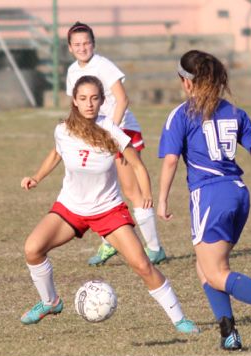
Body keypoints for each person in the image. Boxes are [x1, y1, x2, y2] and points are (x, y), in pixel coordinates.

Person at [19, 75, 199, 335]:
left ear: (102, 101)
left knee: (142, 265)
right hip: (70, 208)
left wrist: (146, 193)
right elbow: (56, 152)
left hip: (108, 211)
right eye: (83, 98)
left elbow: (136, 165)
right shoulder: (62, 130)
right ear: (75, 102)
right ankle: (50, 303)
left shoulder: (111, 131)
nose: (89, 104)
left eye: (94, 98)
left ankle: (180, 320)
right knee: (32, 249)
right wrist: (36, 177)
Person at [157, 50, 251, 350]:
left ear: (186, 82)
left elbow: (170, 161)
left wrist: (162, 199)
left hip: (209, 195)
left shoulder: (181, 115)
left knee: (216, 272)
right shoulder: (235, 112)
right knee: (205, 266)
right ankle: (229, 333)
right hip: (238, 193)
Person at [65, 21, 166, 266]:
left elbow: (122, 99)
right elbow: (77, 108)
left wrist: (111, 132)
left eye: (87, 42)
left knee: (132, 191)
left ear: (94, 44)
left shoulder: (103, 66)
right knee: (100, 190)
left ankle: (154, 249)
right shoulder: (72, 71)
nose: (82, 47)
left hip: (121, 132)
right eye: (77, 44)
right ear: (69, 48)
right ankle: (109, 243)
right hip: (97, 137)